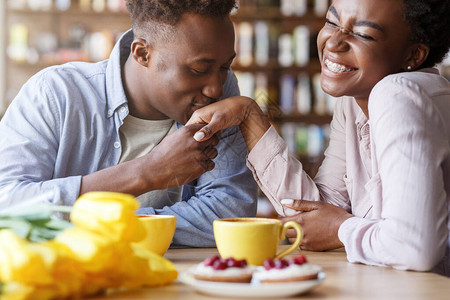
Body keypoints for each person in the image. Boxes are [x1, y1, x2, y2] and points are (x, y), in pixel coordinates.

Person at [187, 0, 450, 275]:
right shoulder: (355, 101)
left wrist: (341, 229)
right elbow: (316, 217)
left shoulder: (397, 94)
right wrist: (249, 116)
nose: (334, 42)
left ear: (414, 55)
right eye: (332, 22)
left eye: (362, 34)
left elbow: (414, 248)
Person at [0, 0, 258, 247]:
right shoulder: (54, 94)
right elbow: (6, 205)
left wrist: (96, 225)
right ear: (143, 53)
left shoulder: (221, 95)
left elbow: (228, 212)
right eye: (199, 70)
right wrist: (146, 172)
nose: (215, 88)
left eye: (225, 67)